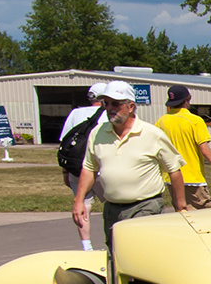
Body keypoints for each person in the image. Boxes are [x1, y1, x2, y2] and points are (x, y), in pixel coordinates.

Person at [70, 80, 186, 252]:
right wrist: (78, 201)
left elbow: (174, 170)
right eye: (106, 103)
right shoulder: (97, 133)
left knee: (140, 252)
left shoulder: (152, 134)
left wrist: (181, 206)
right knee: (116, 255)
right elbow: (89, 168)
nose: (110, 108)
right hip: (112, 209)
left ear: (130, 106)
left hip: (145, 206)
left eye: (115, 104)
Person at [157, 85, 211, 209]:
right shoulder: (195, 121)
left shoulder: (161, 122)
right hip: (192, 178)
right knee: (206, 215)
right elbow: (205, 151)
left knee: (183, 213)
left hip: (172, 178)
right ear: (188, 99)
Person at [59, 82, 108, 195]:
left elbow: (64, 142)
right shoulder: (108, 114)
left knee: (84, 202)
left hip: (78, 168)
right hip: (103, 168)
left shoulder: (75, 113)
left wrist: (65, 171)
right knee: (112, 203)